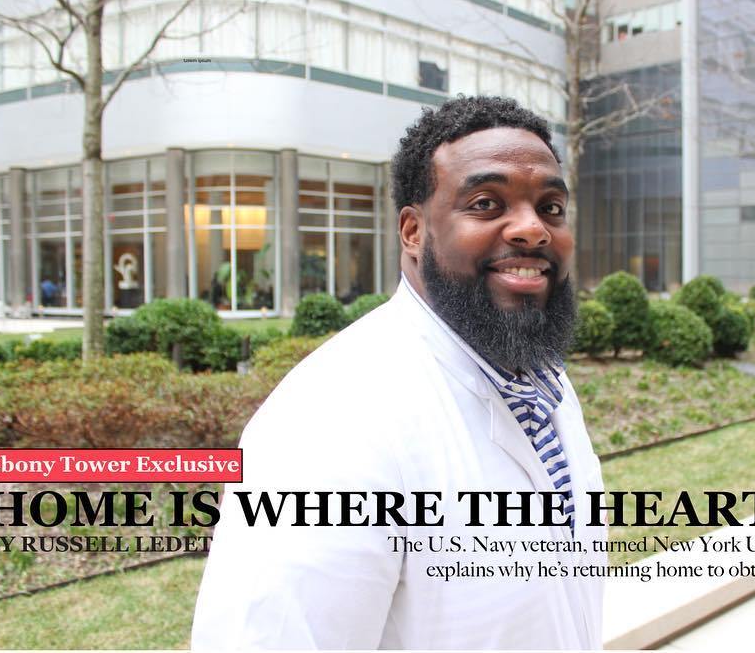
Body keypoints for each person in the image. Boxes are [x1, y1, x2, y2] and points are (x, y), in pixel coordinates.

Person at [191, 96, 606, 650]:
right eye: (486, 203)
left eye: (551, 207)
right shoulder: (331, 422)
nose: (533, 230)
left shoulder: (541, 379)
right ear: (413, 232)